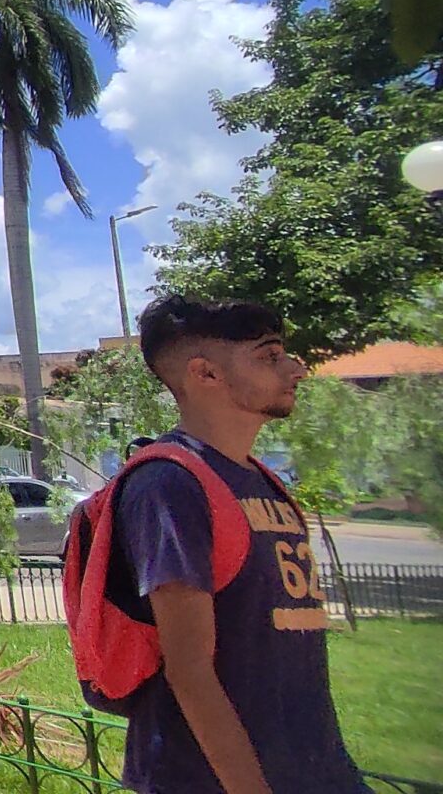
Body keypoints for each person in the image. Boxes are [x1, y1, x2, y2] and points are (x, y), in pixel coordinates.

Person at [111, 295, 361, 794]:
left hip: (314, 773)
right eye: (269, 356)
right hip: (206, 780)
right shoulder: (169, 483)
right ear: (205, 374)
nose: (296, 368)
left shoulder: (261, 480)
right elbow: (191, 671)